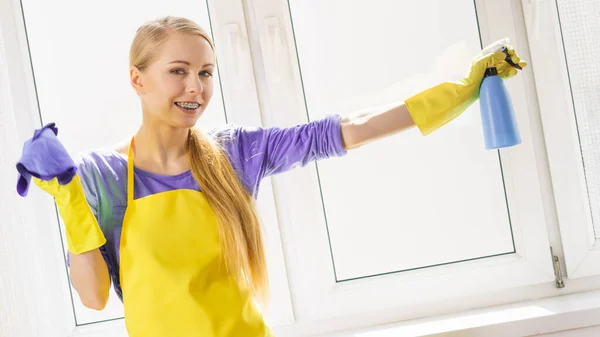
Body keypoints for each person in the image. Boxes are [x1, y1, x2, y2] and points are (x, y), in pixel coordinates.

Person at [16, 16, 527, 337]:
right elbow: (94, 297)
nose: (196, 86)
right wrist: (67, 197)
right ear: (137, 79)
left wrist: (463, 90)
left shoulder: (233, 155)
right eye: (178, 70)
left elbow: (347, 130)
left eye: (206, 72)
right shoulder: (100, 176)